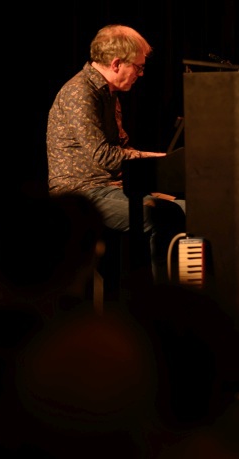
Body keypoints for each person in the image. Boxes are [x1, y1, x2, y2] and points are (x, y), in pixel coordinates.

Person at [46, 24, 185, 287]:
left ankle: (190, 289)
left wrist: (163, 160)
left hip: (111, 187)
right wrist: (160, 161)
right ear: (117, 63)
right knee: (164, 216)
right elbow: (105, 156)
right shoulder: (80, 92)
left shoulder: (108, 94)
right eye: (138, 67)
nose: (140, 74)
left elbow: (123, 149)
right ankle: (164, 301)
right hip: (80, 193)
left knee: (190, 209)